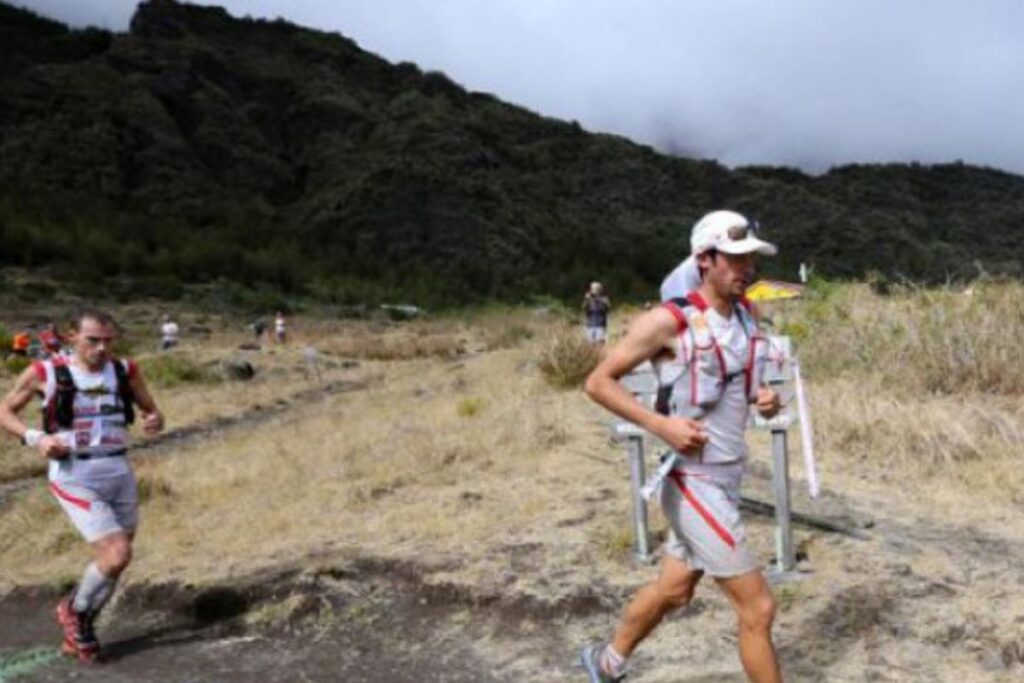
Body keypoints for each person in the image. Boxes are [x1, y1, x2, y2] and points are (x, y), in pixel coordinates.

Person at [580, 210, 784, 683]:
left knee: (675, 590)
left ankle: (606, 663)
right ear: (705, 259)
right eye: (735, 259)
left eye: (750, 259)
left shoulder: (747, 316)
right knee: (758, 608)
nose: (746, 268)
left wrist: (766, 400)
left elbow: (744, 385)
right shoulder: (668, 321)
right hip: (693, 481)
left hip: (728, 475)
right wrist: (660, 425)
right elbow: (598, 382)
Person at [0, 309, 165, 662]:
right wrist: (37, 438)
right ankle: (74, 612)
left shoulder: (125, 370)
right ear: (71, 336)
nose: (101, 348)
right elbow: (4, 410)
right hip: (75, 473)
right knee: (117, 553)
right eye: (93, 340)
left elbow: (151, 409)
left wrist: (154, 419)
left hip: (118, 469)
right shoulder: (45, 371)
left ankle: (77, 633)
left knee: (114, 561)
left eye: (108, 341)